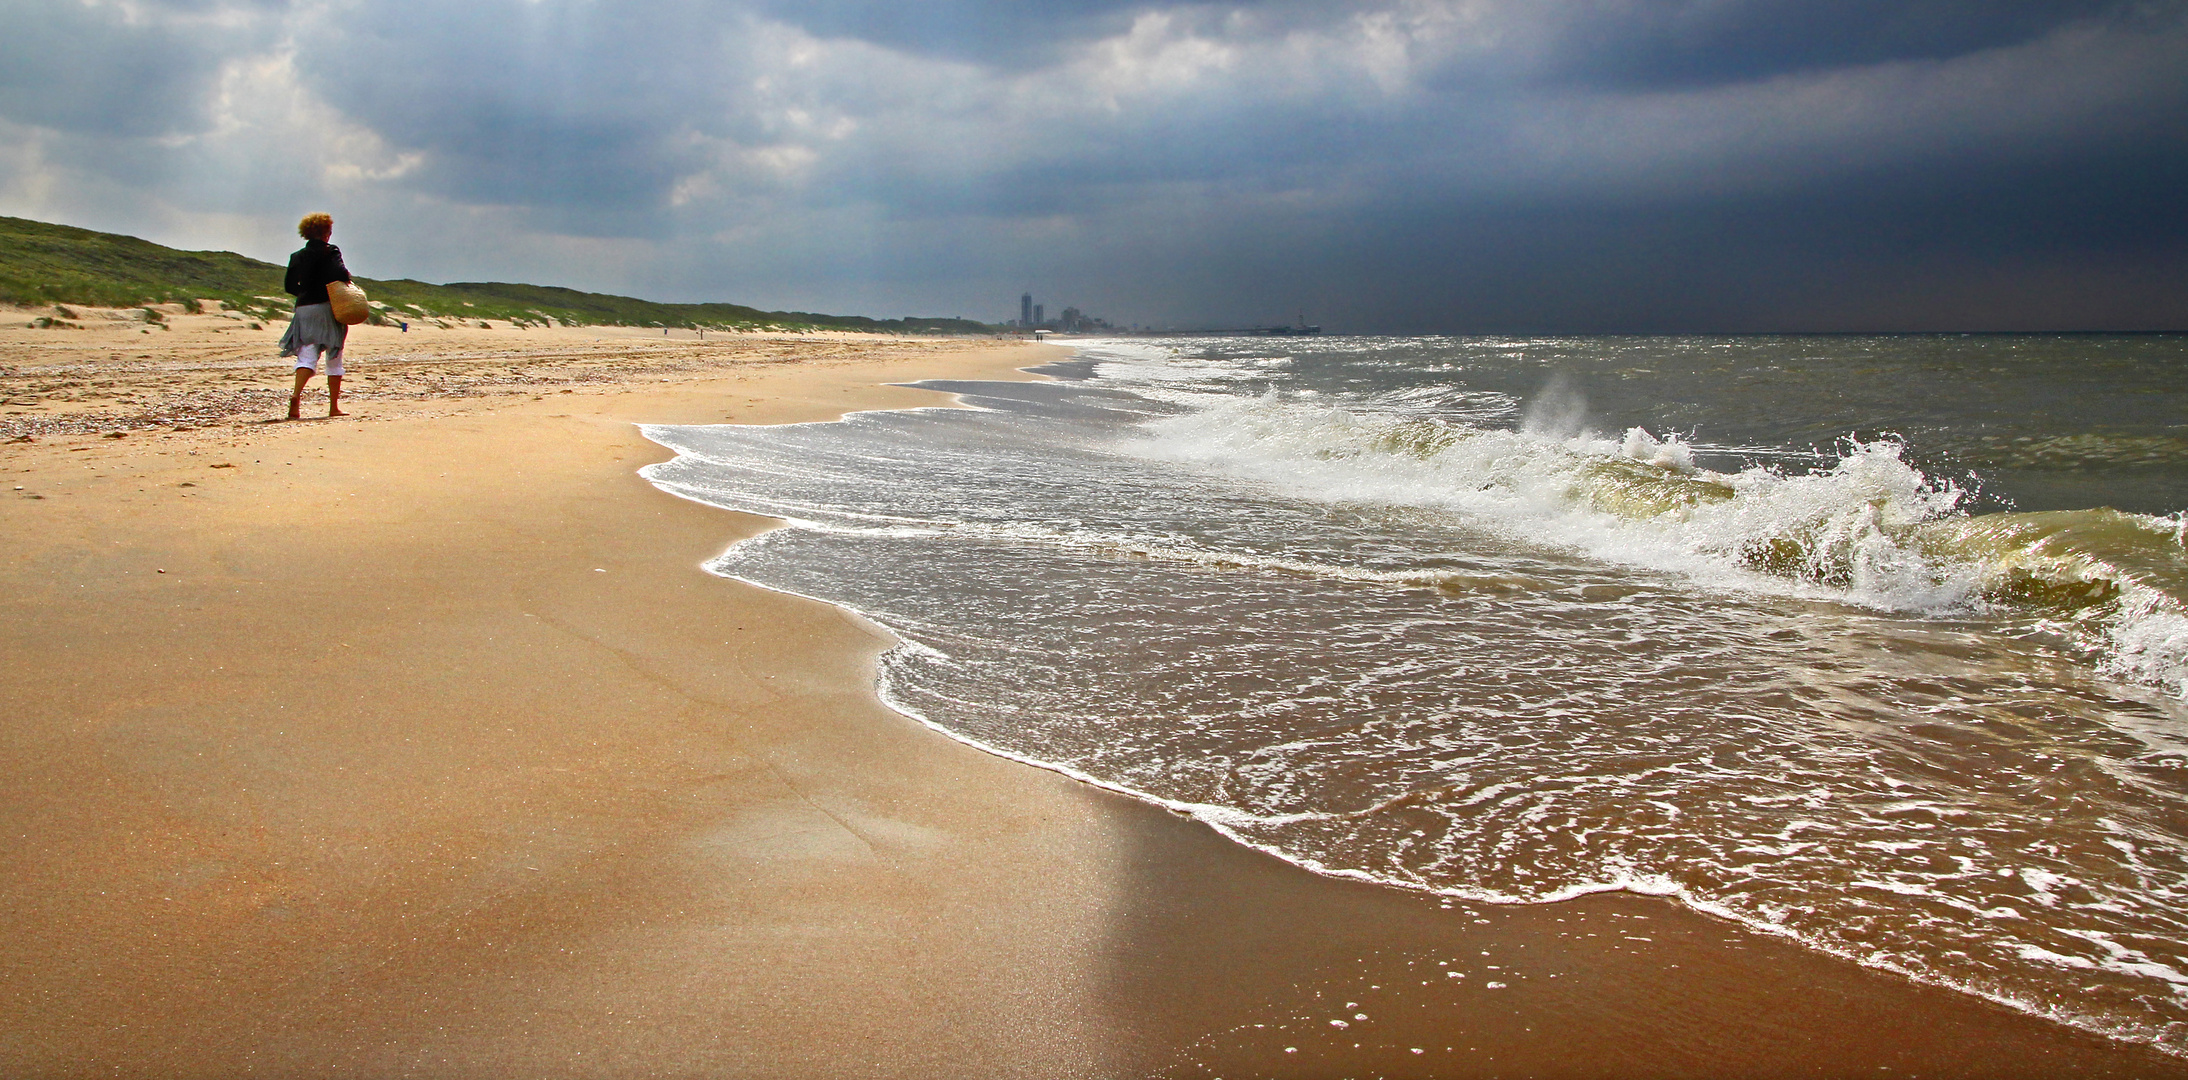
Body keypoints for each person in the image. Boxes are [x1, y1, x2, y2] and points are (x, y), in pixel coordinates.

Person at [280, 212, 354, 419]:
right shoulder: (330, 251)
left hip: (303, 309)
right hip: (327, 308)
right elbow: (340, 273)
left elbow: (289, 286)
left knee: (307, 355)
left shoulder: (296, 256)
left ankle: (296, 396)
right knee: (333, 355)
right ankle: (333, 407)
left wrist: (305, 295)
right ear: (325, 233)